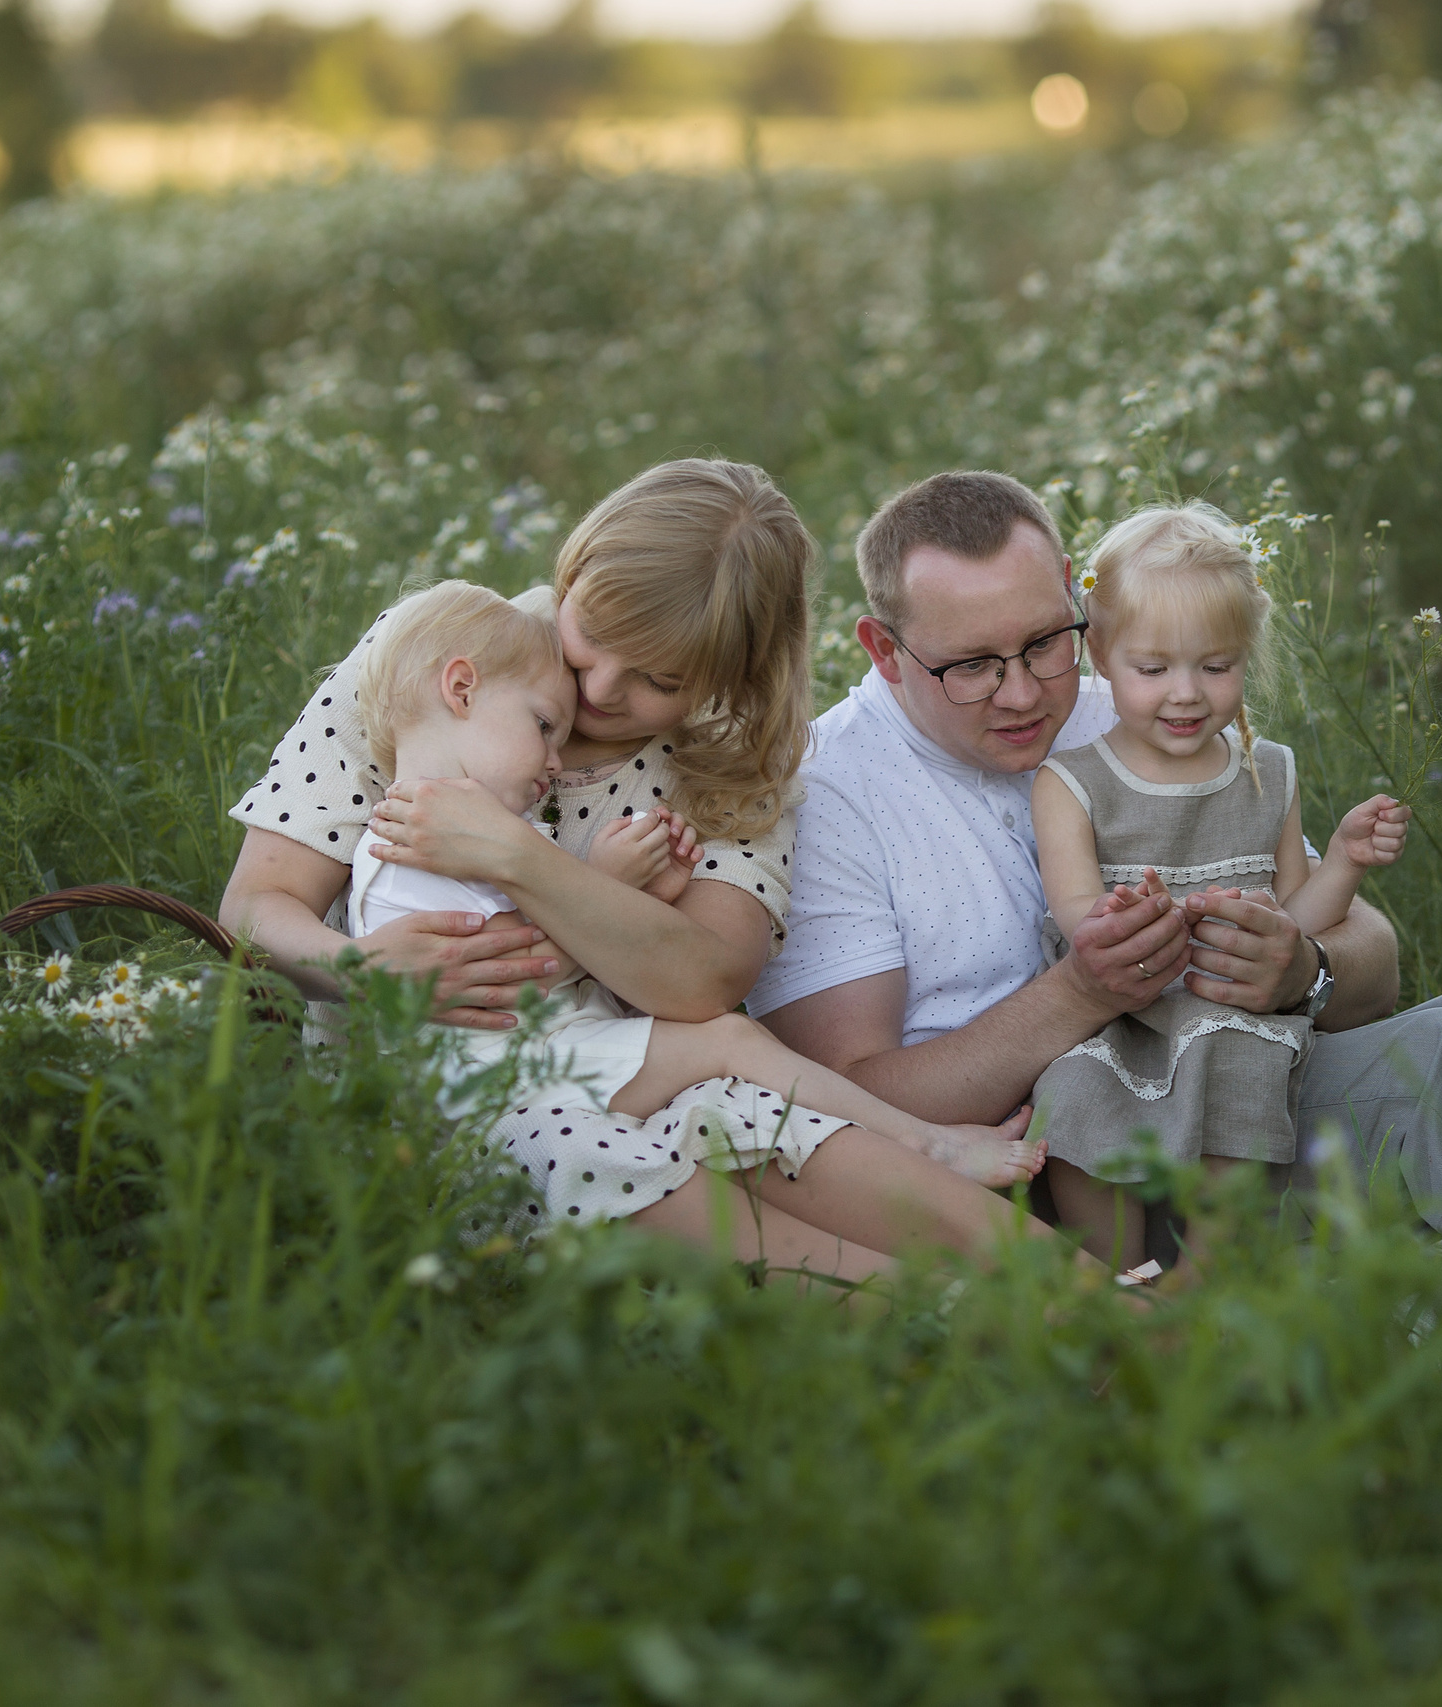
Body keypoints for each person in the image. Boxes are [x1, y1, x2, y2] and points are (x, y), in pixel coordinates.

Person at [749, 471, 1442, 1319]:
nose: (1022, 692)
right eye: (970, 667)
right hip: (1103, 1183)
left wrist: (1305, 964)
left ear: (1074, 599)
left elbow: (1368, 955)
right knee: (1430, 1066)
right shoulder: (828, 797)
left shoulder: (1140, 695)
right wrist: (1081, 994)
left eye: (1041, 642)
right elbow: (848, 1104)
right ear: (883, 650)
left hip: (1229, 1080)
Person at [219, 458, 1045, 1288]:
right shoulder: (439, 655)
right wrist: (356, 967)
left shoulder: (729, 762)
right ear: (571, 572)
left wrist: (516, 854)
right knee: (629, 1153)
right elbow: (258, 904)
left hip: (621, 1066)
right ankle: (958, 1316)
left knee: (754, 1112)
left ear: (730, 677)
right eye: (595, 637)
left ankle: (1096, 1293)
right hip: (426, 1095)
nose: (603, 690)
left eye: (663, 678)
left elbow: (702, 980)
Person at [1029, 502, 1408, 1270]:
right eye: (1154, 667)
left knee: (1236, 1059)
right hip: (1120, 1011)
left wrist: (1344, 861)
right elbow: (1071, 908)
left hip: (1233, 1013)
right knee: (1068, 1091)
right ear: (1099, 653)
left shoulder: (1267, 772)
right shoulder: (1073, 780)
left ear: (1245, 654)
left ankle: (1206, 1277)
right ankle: (1119, 1278)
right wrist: (1114, 915)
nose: (1186, 693)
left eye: (1216, 665)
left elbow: (1297, 916)